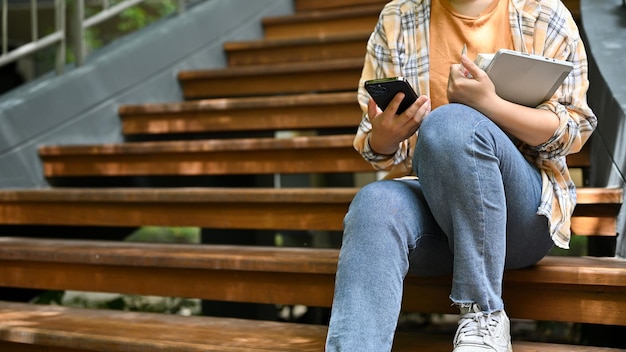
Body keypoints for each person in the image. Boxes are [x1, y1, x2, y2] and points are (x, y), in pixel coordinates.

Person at [325, 0, 596, 351]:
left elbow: (574, 132)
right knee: (373, 204)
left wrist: (492, 106)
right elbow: (374, 145)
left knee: (450, 123)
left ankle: (484, 315)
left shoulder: (543, 12)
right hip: (439, 216)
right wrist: (386, 134)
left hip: (522, 219)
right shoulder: (398, 18)